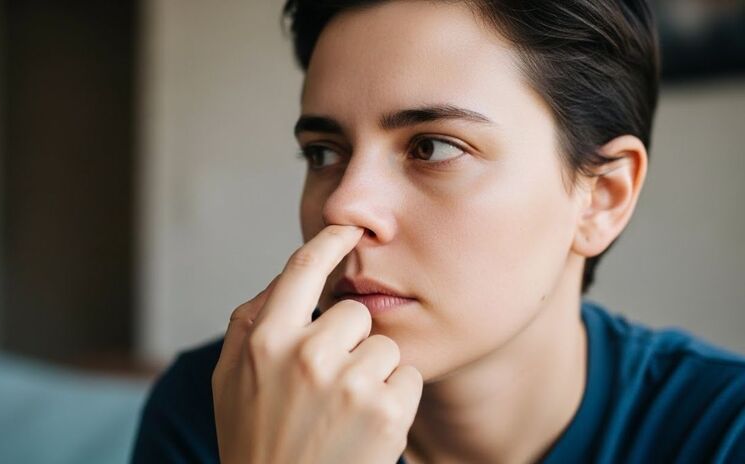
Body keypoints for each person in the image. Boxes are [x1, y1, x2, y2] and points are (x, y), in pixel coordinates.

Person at [131, 1, 745, 462]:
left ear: (602, 200)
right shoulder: (219, 405)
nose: (344, 205)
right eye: (323, 153)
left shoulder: (722, 432)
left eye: (432, 146)